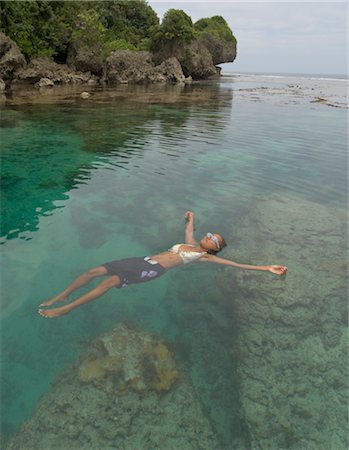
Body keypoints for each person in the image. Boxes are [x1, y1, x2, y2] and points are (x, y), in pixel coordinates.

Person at [38, 211, 287, 318]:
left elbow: (235, 264)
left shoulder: (204, 256)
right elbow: (189, 228)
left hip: (152, 270)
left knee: (109, 282)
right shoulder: (189, 243)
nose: (209, 237)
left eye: (214, 240)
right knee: (94, 271)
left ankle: (67, 308)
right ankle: (63, 295)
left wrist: (266, 268)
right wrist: (192, 217)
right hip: (141, 260)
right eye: (210, 234)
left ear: (214, 249)